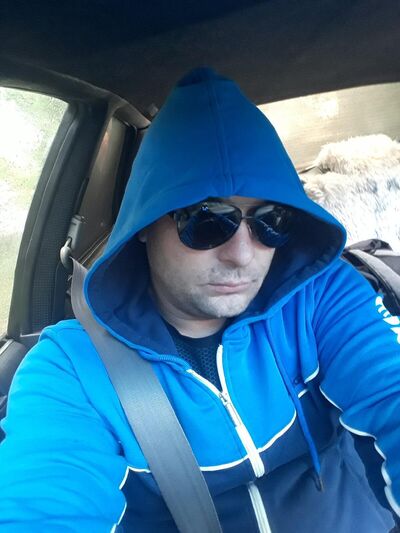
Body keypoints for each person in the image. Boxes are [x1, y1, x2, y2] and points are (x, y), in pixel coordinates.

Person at [0, 68, 399, 532]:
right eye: (206, 219)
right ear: (144, 226)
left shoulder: (322, 297)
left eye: (270, 221)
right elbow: (44, 504)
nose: (242, 255)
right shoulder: (71, 369)